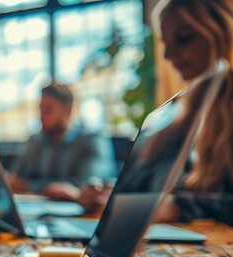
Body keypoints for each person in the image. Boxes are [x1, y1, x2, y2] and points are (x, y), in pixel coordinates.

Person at [80, 0, 233, 226]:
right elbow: (159, 190)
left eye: (183, 38)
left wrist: (177, 205)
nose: (168, 55)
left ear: (220, 33)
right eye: (166, 43)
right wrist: (113, 194)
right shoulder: (179, 114)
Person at [8, 83, 116, 201]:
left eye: (48, 110)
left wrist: (29, 185)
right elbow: (15, 179)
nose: (41, 116)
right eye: (40, 109)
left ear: (68, 110)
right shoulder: (35, 141)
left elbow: (88, 186)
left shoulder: (93, 140)